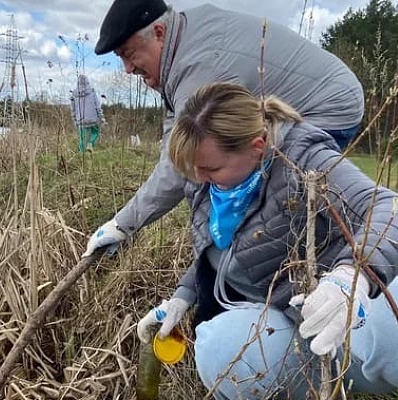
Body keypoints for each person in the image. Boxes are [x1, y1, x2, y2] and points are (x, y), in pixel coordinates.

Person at [133, 82, 398, 400]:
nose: (200, 179)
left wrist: (352, 277)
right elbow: (219, 253)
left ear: (257, 146)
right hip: (286, 311)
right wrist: (183, 296)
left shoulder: (305, 161)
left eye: (210, 168)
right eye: (195, 170)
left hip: (343, 303)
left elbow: (394, 210)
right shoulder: (213, 184)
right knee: (216, 347)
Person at [83, 0, 364, 255]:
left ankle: (308, 268)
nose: (127, 69)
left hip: (327, 108)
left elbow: (178, 169)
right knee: (222, 181)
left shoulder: (202, 65)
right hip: (322, 95)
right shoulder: (183, 39)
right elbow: (176, 140)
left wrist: (123, 224)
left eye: (129, 54)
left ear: (158, 32)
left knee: (262, 193)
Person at [70, 74, 106, 152]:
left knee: (82, 138)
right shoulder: (92, 92)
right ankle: (90, 143)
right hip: (92, 119)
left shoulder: (74, 94)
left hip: (81, 119)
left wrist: (75, 119)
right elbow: (97, 106)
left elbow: (73, 108)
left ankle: (81, 153)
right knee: (95, 132)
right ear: (87, 82)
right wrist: (101, 117)